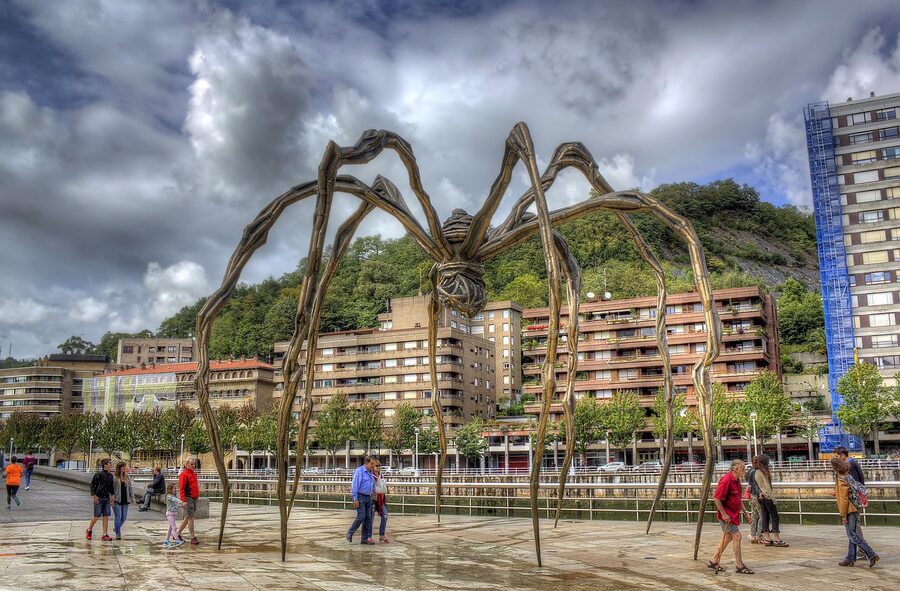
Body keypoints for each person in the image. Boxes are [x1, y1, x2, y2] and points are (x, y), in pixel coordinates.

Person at [708, 459, 753, 574]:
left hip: (732, 514)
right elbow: (717, 497)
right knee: (737, 536)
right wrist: (723, 513)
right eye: (742, 467)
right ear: (735, 468)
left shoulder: (736, 480)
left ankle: (713, 561)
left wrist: (745, 512)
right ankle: (739, 565)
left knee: (728, 538)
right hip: (727, 516)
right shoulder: (727, 480)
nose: (744, 469)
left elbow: (738, 500)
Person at [832, 457, 879, 567]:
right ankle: (850, 558)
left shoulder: (840, 480)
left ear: (835, 468)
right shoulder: (849, 477)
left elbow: (844, 500)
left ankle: (871, 554)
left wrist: (843, 515)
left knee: (852, 534)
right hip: (856, 506)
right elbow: (850, 491)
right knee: (852, 533)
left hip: (850, 509)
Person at [753, 455, 788, 547]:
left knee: (765, 517)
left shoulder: (756, 472)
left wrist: (760, 493)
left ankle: (767, 538)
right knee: (775, 516)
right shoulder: (763, 472)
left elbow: (756, 485)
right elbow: (767, 486)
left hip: (761, 497)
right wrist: (773, 499)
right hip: (767, 497)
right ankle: (777, 539)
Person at [347, 456, 375, 545]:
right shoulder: (359, 471)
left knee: (368, 518)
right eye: (372, 464)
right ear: (366, 463)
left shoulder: (371, 472)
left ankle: (364, 539)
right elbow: (355, 485)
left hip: (368, 497)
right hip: (360, 496)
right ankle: (350, 532)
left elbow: (371, 484)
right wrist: (355, 498)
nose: (373, 466)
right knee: (361, 516)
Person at [87, 458, 114, 541]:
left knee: (106, 516)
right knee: (96, 516)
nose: (110, 464)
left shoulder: (110, 476)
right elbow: (92, 485)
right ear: (105, 465)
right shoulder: (98, 474)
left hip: (106, 497)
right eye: (109, 463)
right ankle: (89, 530)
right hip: (99, 497)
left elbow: (111, 487)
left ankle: (104, 534)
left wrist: (112, 495)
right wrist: (94, 495)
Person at [176, 457, 200, 545]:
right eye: (191, 464)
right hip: (188, 498)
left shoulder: (194, 474)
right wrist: (183, 500)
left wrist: (197, 495)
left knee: (188, 517)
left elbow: (195, 485)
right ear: (187, 465)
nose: (193, 466)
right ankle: (192, 537)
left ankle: (177, 534)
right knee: (191, 518)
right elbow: (181, 488)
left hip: (194, 498)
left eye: (194, 464)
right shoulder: (184, 474)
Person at [112, 461, 132, 540]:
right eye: (123, 467)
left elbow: (130, 488)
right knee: (118, 517)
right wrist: (112, 498)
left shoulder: (127, 477)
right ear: (119, 468)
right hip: (117, 500)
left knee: (124, 517)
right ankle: (118, 533)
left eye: (125, 467)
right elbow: (111, 489)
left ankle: (116, 528)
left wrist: (132, 498)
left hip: (125, 499)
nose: (125, 468)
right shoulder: (114, 478)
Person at [745, 456, 762, 544]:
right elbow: (756, 484)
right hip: (756, 495)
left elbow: (749, 482)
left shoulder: (750, 471)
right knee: (762, 515)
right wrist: (760, 493)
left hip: (751, 495)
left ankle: (753, 535)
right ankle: (759, 536)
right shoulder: (757, 471)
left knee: (754, 516)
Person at [373, 459, 389, 543]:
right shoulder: (371, 476)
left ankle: (381, 534)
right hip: (373, 499)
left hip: (381, 499)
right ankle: (367, 536)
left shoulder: (381, 476)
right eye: (376, 466)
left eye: (379, 466)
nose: (378, 467)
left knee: (385, 515)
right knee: (370, 519)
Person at [163, 482, 184, 547]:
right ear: (170, 489)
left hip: (173, 514)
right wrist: (182, 502)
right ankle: (177, 541)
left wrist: (181, 505)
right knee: (174, 528)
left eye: (176, 488)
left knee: (170, 528)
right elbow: (175, 500)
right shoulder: (169, 496)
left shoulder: (173, 496)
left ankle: (166, 540)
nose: (176, 489)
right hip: (170, 514)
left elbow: (176, 504)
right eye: (174, 488)